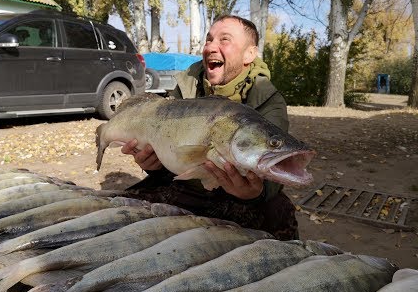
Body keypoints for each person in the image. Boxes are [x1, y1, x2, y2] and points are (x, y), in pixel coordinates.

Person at [121, 15, 298, 240]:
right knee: (122, 214)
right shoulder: (185, 85)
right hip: (185, 183)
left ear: (249, 54)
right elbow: (169, 152)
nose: (210, 47)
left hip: (233, 194)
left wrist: (256, 193)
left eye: (224, 40)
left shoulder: (268, 100)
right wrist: (151, 165)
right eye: (208, 39)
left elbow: (273, 167)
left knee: (280, 216)